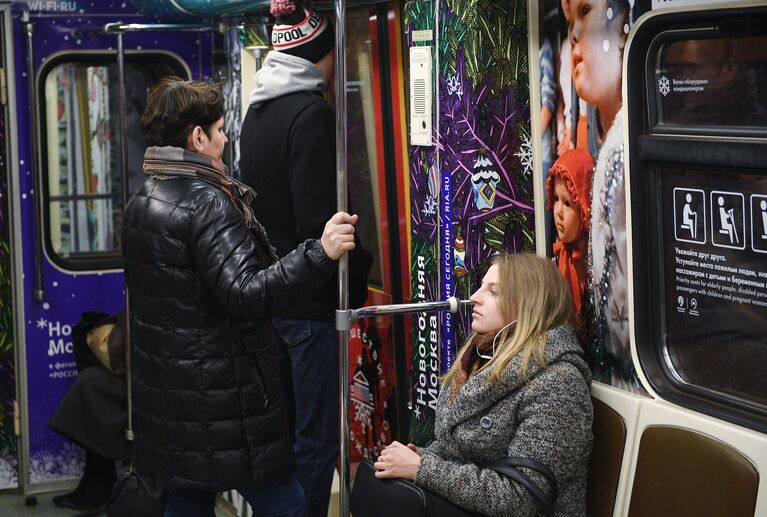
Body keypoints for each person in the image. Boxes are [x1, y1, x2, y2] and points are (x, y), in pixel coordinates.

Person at [122, 77, 358, 517]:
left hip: (172, 398)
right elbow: (245, 292)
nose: (227, 137)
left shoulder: (144, 198)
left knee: (187, 499)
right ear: (197, 138)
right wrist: (318, 253)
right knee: (285, 505)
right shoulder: (205, 202)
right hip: (223, 398)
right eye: (218, 129)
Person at [239, 1, 371, 515]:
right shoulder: (311, 116)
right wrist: (360, 277)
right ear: (320, 56)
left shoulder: (258, 112)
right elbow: (320, 223)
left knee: (289, 439)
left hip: (276, 298)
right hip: (312, 308)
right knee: (316, 443)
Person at [373, 253, 593, 516]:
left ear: (527, 304)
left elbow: (521, 499)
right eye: (480, 287)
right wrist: (422, 456)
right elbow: (458, 452)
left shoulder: (559, 384)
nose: (474, 297)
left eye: (493, 291)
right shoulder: (481, 358)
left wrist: (423, 469)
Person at [570, 0, 640, 388]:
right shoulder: (610, 144)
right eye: (570, 22)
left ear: (625, 25)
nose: (576, 34)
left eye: (585, 11)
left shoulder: (622, 147)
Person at [546, 149, 594, 318]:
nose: (558, 211)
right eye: (556, 199)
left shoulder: (595, 266)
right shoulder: (557, 261)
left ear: (584, 207)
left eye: (567, 203)